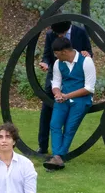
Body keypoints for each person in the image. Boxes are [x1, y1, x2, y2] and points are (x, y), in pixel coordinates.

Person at [38, 21, 91, 156]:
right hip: (56, 74)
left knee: (68, 119)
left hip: (75, 78)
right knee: (47, 112)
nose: (59, 36)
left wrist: (87, 54)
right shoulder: (51, 34)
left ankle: (59, 152)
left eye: (61, 33)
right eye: (57, 34)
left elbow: (88, 51)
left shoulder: (80, 32)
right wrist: (45, 62)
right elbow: (48, 55)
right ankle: (43, 146)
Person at [45, 36, 96, 171]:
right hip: (63, 98)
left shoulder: (86, 62)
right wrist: (57, 93)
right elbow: (56, 82)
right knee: (55, 124)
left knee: (69, 128)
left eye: (56, 53)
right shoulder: (58, 63)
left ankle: (58, 157)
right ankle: (58, 157)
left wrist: (67, 96)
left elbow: (89, 88)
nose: (55, 56)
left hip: (81, 100)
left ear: (64, 52)